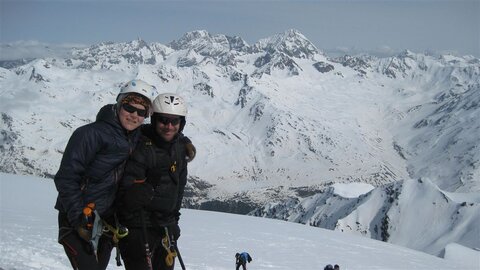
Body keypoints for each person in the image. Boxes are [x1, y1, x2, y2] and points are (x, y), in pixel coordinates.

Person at [54, 79, 157, 270]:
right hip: (78, 217)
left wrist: (183, 142)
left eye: (141, 112)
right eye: (129, 107)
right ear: (119, 104)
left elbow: (163, 132)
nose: (134, 115)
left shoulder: (135, 136)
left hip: (107, 220)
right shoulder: (90, 134)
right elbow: (66, 178)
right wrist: (80, 218)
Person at [117, 93, 195, 270]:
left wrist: (174, 221)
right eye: (163, 120)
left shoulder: (180, 149)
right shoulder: (141, 147)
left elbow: (178, 188)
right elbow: (126, 196)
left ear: (181, 124)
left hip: (165, 227)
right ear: (154, 120)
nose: (168, 126)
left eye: (174, 121)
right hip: (140, 227)